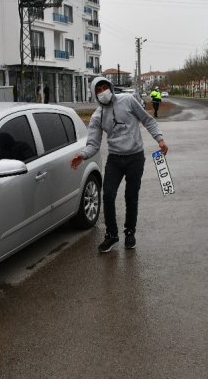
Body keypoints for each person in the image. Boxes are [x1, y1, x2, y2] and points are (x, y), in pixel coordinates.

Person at [70, 77, 169, 253]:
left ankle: (130, 232)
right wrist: (82, 155)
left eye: (104, 87)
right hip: (115, 159)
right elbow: (93, 144)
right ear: (95, 94)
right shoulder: (97, 116)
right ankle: (112, 234)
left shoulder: (128, 101)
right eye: (98, 90)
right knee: (107, 195)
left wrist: (159, 139)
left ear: (111, 87)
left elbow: (147, 120)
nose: (102, 91)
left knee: (131, 197)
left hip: (135, 157)